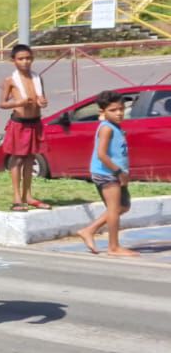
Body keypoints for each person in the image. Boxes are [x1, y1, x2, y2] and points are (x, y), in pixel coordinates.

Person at [76, 90, 137, 257]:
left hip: (115, 172)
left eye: (121, 109)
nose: (119, 113)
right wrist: (118, 172)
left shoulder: (115, 127)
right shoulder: (106, 129)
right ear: (102, 112)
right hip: (107, 173)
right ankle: (113, 247)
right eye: (113, 110)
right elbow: (101, 154)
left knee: (123, 206)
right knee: (113, 209)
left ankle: (89, 230)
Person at [0, 43, 49, 211]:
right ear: (13, 60)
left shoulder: (37, 78)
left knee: (29, 159)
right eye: (21, 59)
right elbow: (3, 104)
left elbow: (42, 98)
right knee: (17, 159)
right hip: (19, 123)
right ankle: (16, 197)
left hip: (34, 122)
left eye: (28, 58)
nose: (25, 62)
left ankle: (28, 194)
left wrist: (42, 102)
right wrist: (18, 102)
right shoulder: (10, 80)